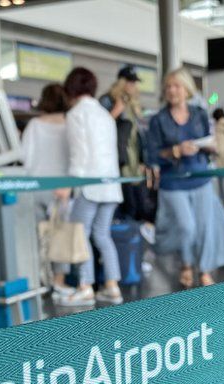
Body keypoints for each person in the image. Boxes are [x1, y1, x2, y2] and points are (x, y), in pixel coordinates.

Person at [147, 67, 224, 288]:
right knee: (186, 226)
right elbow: (152, 154)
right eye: (168, 86)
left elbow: (211, 144)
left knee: (204, 228)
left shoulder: (200, 114)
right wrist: (175, 151)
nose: (172, 90)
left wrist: (207, 146)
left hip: (200, 178)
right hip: (173, 182)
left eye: (177, 86)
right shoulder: (158, 120)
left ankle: (204, 268)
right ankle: (186, 263)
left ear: (186, 89)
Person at [57, 67, 124, 307]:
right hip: (111, 185)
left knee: (80, 234)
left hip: (89, 184)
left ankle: (85, 286)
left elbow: (79, 154)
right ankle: (112, 286)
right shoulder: (105, 115)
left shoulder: (76, 114)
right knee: (102, 235)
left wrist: (70, 183)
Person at [21, 84, 72, 298]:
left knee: (35, 237)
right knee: (60, 236)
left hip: (36, 186)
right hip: (62, 187)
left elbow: (25, 157)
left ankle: (39, 281)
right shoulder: (70, 124)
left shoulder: (34, 125)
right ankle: (60, 282)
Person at [101, 65, 155, 226]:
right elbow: (99, 129)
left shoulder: (133, 104)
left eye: (134, 83)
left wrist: (142, 160)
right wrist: (116, 111)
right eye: (129, 82)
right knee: (126, 206)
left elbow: (138, 136)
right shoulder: (108, 100)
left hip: (133, 163)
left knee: (139, 206)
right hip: (118, 161)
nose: (133, 86)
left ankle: (134, 241)